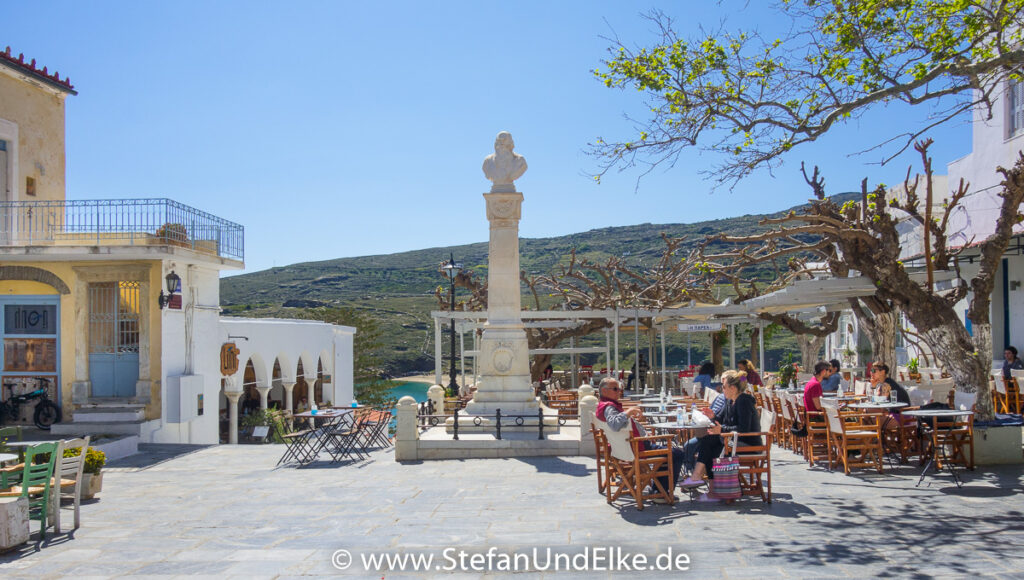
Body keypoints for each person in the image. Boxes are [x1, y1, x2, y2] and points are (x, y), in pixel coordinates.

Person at [595, 377, 684, 503]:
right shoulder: (609, 407)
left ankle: (658, 489)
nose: (619, 391)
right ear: (604, 391)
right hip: (636, 448)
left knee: (665, 452)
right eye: (615, 389)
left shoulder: (602, 406)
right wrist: (629, 412)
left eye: (619, 389)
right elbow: (614, 424)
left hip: (624, 448)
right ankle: (660, 492)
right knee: (676, 453)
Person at [679, 371, 762, 498]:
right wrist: (713, 416)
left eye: (724, 387)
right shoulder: (730, 401)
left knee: (711, 444)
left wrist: (721, 430)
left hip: (747, 442)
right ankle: (708, 486)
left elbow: (744, 429)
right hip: (732, 439)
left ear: (733, 388)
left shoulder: (744, 402)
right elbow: (721, 419)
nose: (721, 389)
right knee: (708, 442)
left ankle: (699, 478)